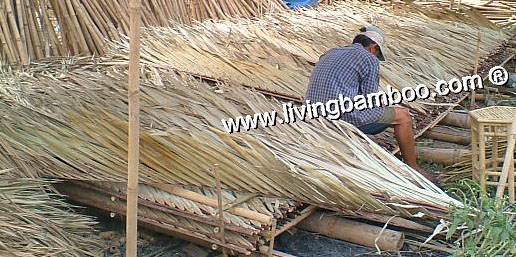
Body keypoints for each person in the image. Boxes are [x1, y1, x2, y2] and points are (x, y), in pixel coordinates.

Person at [305, 25, 437, 183]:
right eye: (377, 53)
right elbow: (369, 101)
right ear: (374, 47)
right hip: (342, 116)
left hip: (313, 114)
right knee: (403, 116)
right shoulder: (369, 59)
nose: (376, 56)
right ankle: (414, 168)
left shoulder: (331, 52)